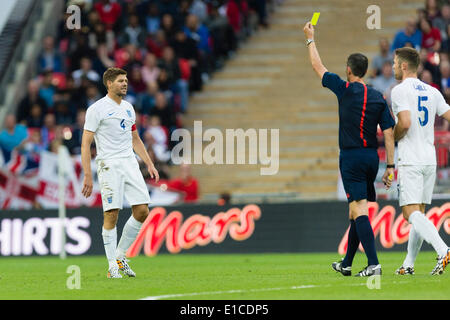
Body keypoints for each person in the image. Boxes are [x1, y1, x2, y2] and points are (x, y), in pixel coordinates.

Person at [303, 22, 396, 277]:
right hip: (372, 159)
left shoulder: (343, 90)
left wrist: (310, 39)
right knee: (354, 209)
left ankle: (374, 264)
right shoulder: (378, 96)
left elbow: (317, 67)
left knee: (359, 209)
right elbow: (388, 133)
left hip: (352, 157)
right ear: (365, 71)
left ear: (348, 70)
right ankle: (346, 263)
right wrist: (390, 166)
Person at [81, 67, 159, 278]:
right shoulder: (97, 109)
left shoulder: (128, 108)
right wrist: (88, 174)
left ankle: (120, 256)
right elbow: (86, 143)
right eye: (120, 81)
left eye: (125, 80)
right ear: (109, 84)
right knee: (112, 214)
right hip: (109, 164)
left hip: (130, 163)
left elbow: (135, 139)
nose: (125, 84)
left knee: (142, 210)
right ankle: (111, 266)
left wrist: (149, 163)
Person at [390, 47, 450, 275]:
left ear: (404, 66)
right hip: (429, 159)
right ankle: (408, 264)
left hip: (411, 160)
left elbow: (404, 123)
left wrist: (391, 137)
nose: (394, 66)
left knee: (409, 213)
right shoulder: (432, 91)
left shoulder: (399, 91)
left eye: (395, 63)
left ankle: (443, 249)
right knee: (420, 213)